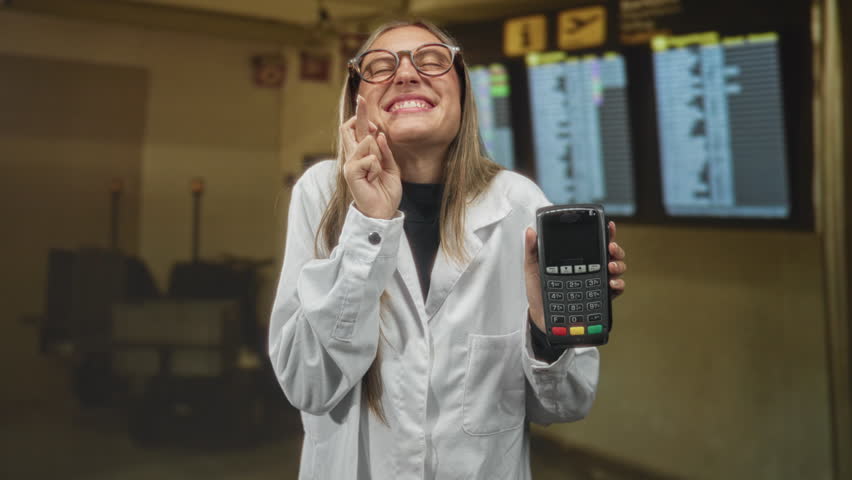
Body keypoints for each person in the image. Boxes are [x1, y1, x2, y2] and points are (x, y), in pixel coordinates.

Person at [268, 19, 628, 480]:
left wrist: (546, 331)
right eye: (380, 66)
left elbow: (565, 403)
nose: (405, 74)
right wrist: (370, 226)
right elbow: (307, 384)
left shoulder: (517, 202)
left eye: (432, 60)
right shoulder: (321, 194)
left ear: (462, 91)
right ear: (356, 97)